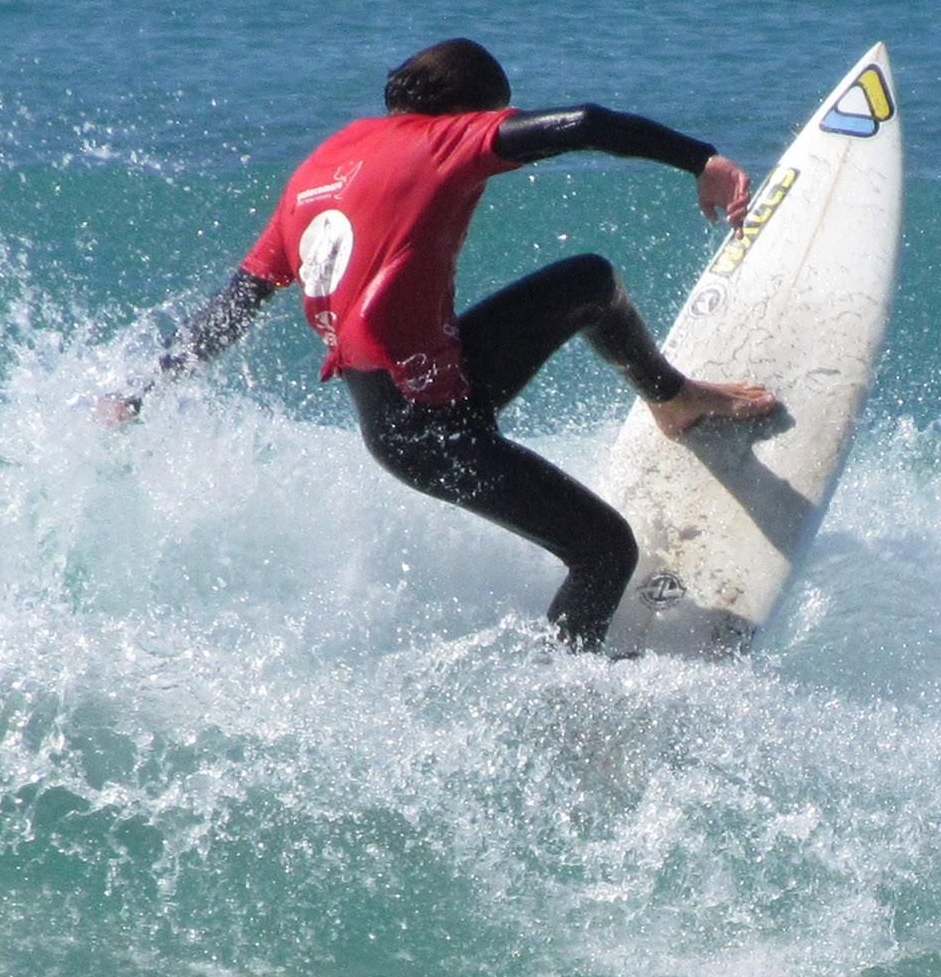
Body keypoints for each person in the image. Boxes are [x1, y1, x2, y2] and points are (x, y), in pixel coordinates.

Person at [105, 38, 776, 650]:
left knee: (589, 281)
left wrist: (142, 391)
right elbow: (586, 123)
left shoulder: (315, 172)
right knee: (604, 550)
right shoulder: (442, 140)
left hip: (421, 392)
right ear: (472, 112)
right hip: (427, 437)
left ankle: (674, 399)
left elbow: (231, 309)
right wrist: (702, 160)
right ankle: (566, 702)